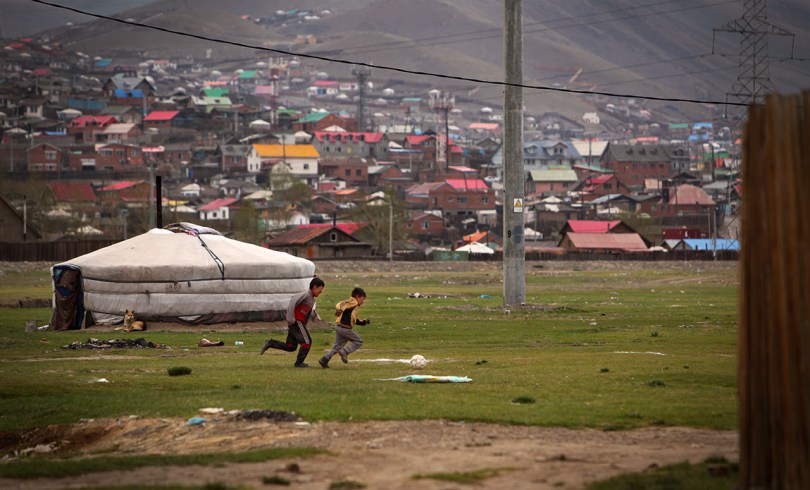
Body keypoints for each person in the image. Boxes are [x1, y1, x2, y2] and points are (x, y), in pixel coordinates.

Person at [260, 277, 325, 367]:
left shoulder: (312, 298)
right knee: (307, 342)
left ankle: (270, 343)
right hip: (296, 322)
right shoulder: (306, 295)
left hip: (296, 323)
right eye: (320, 289)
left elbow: (305, 313)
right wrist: (291, 318)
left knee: (291, 346)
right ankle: (299, 363)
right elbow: (293, 300)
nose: (321, 292)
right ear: (314, 287)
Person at [318, 287, 370, 368]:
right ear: (357, 296)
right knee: (358, 341)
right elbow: (341, 303)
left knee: (336, 347)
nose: (362, 302)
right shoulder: (353, 301)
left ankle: (324, 360)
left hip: (340, 328)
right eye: (362, 299)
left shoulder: (353, 306)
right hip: (344, 329)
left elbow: (353, 320)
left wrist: (364, 322)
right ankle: (345, 352)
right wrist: (338, 309)